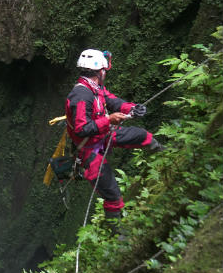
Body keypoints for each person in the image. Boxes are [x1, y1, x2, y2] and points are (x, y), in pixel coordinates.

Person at [65, 49, 163, 230]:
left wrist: (132, 108)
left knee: (140, 135)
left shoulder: (95, 89)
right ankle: (116, 234)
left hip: (103, 135)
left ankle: (164, 155)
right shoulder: (81, 95)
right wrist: (109, 120)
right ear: (100, 71)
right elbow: (81, 129)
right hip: (89, 150)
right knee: (112, 194)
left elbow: (112, 101)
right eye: (104, 70)